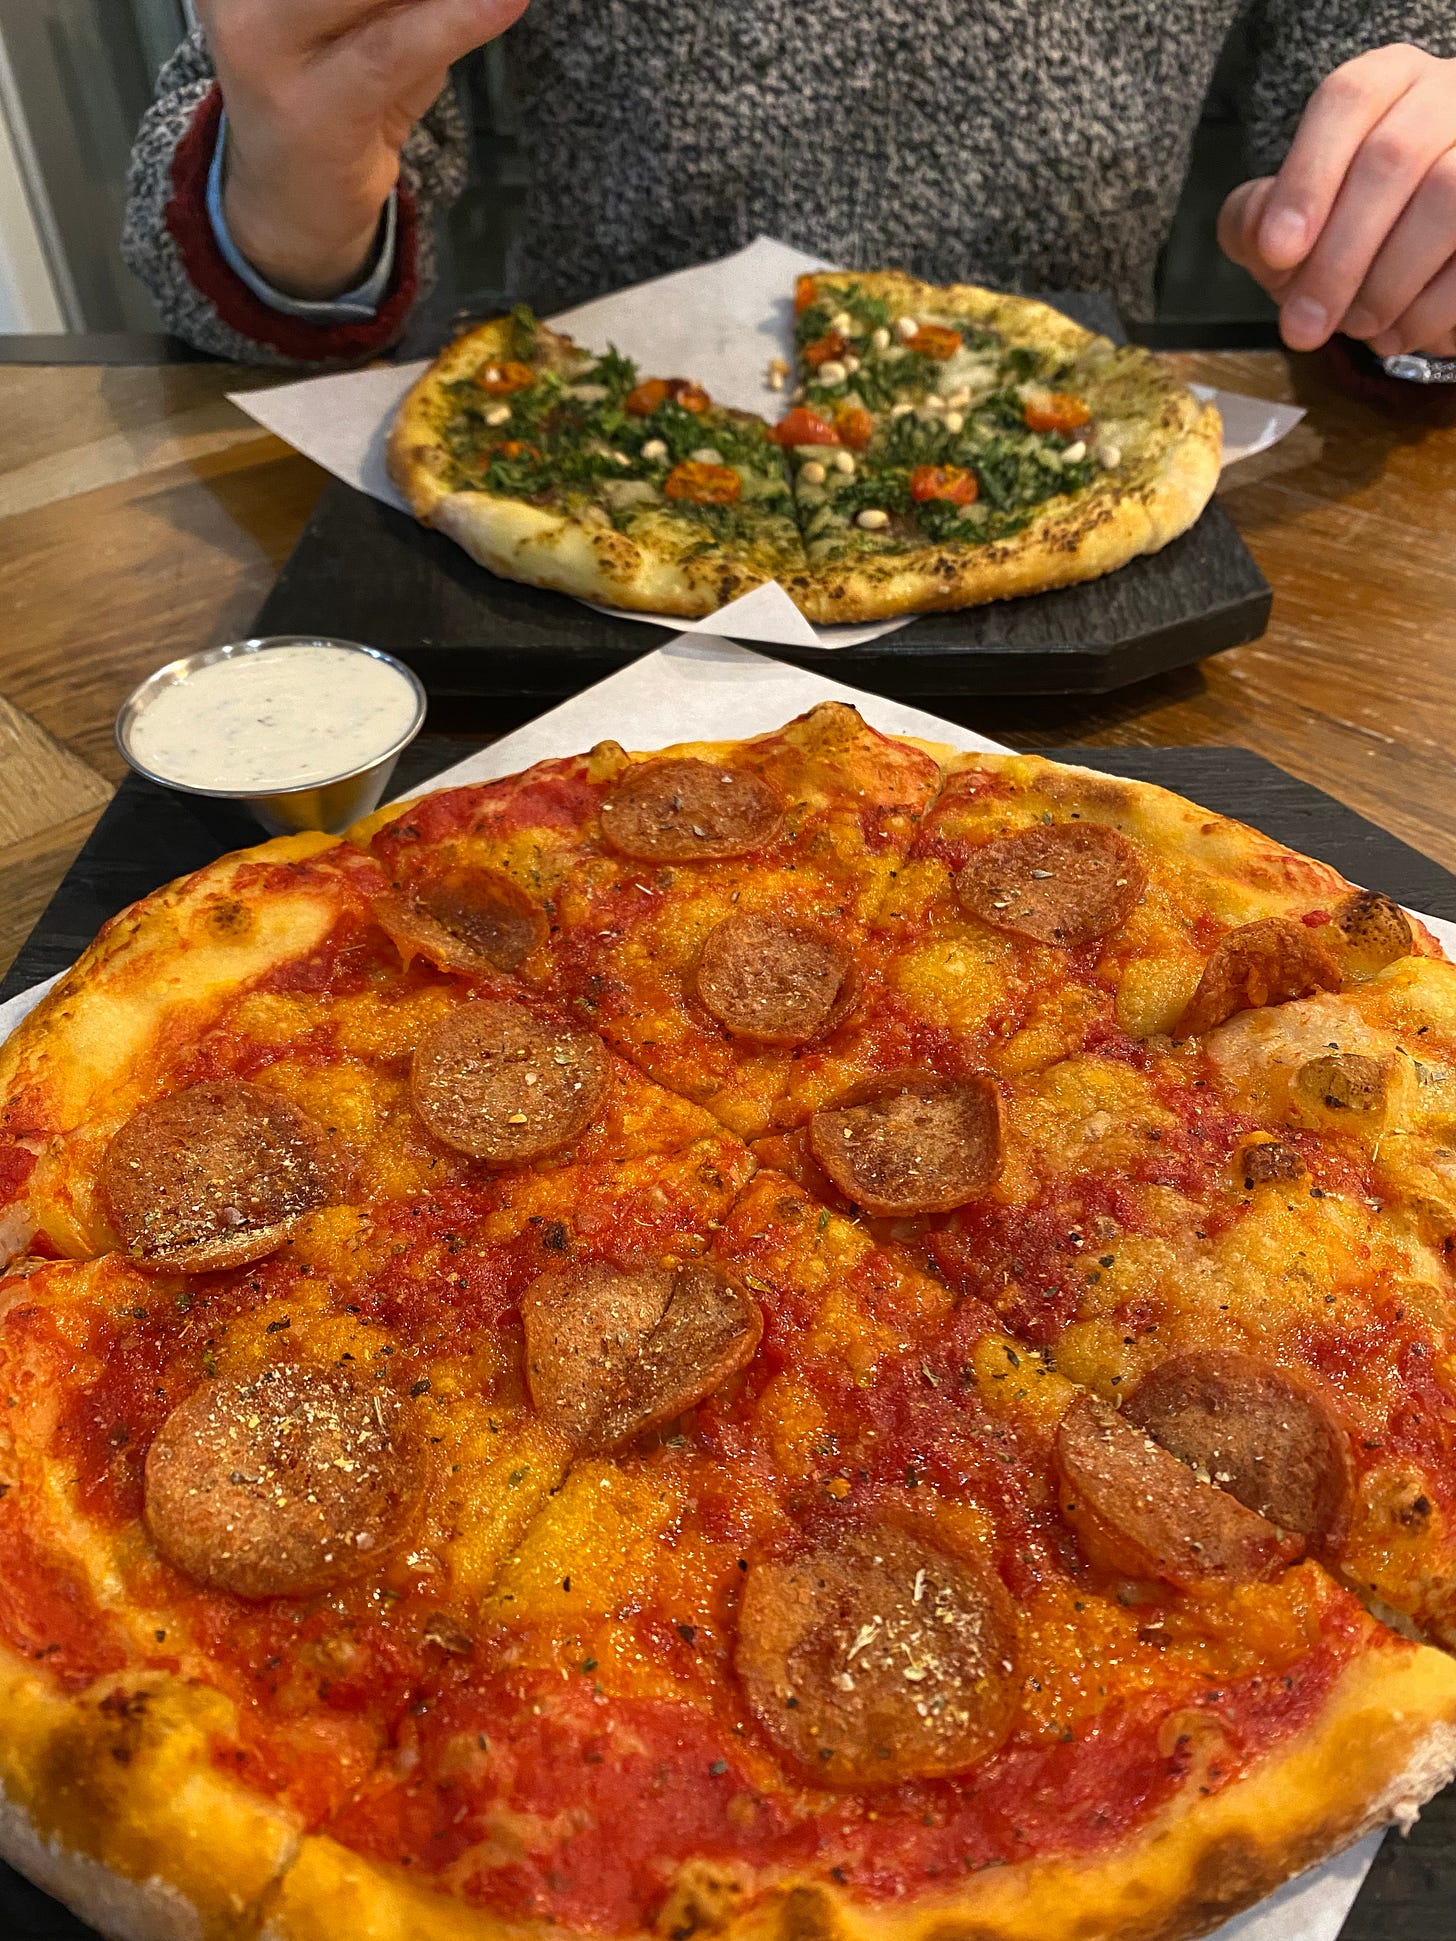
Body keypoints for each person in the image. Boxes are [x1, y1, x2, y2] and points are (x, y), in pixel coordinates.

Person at [121, 3, 1456, 369]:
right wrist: (287, 188)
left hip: (1092, 554)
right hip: (580, 508)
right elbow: (204, 251)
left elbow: (1402, 89)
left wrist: (1415, 247)